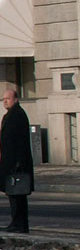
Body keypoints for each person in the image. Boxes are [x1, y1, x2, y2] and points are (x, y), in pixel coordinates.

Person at [1, 88, 33, 233]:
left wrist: (19, 161)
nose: (5, 101)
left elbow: (21, 141)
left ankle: (20, 224)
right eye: (3, 99)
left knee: (18, 193)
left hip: (16, 162)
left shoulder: (18, 115)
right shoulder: (8, 115)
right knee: (12, 193)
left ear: (16, 99)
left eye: (7, 98)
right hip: (9, 160)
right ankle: (16, 222)